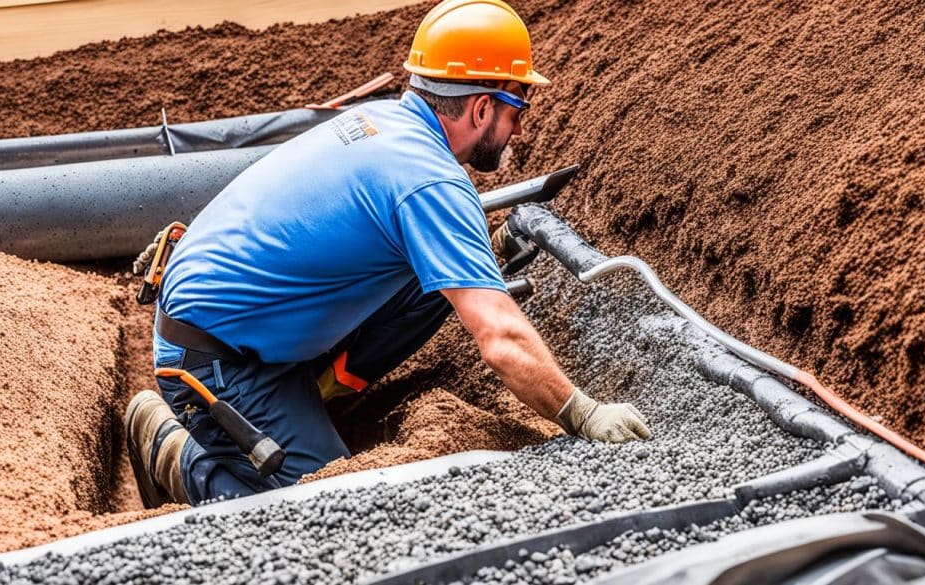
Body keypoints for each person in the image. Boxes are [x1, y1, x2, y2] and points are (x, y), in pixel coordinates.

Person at [126, 0, 651, 508]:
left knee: (443, 286)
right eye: (519, 108)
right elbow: (500, 338)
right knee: (332, 512)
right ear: (483, 106)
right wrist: (581, 413)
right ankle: (176, 456)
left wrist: (477, 260)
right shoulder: (428, 183)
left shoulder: (381, 122)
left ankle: (313, 397)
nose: (519, 126)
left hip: (239, 319)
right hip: (216, 361)